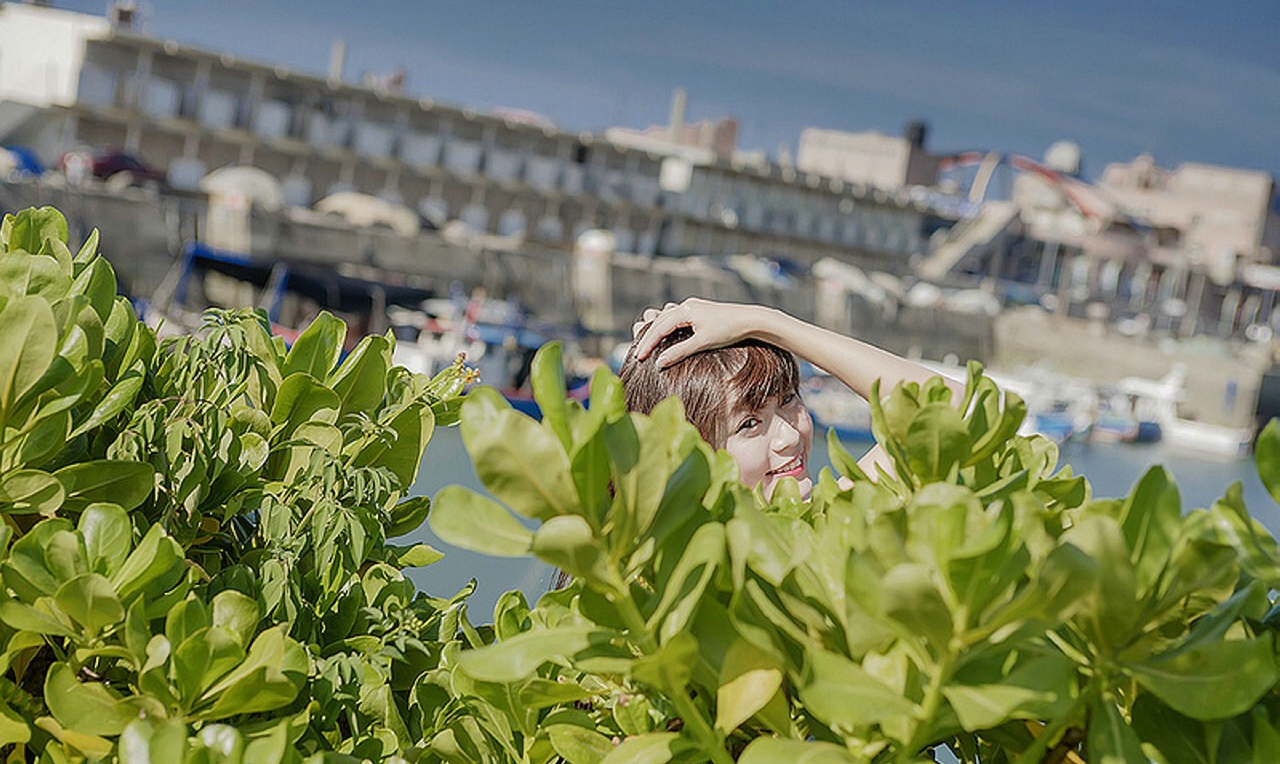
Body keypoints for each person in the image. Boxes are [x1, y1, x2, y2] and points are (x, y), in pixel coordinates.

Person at [620, 298, 964, 498]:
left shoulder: (821, 523)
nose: (790, 436)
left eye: (788, 399)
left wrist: (764, 321)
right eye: (749, 423)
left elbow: (954, 410)